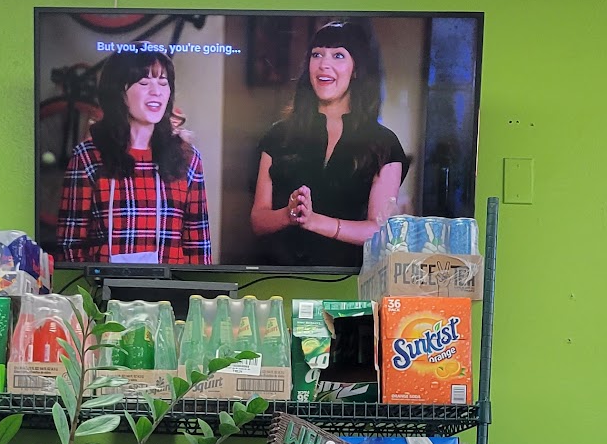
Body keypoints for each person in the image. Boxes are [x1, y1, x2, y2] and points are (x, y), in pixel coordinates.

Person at [250, 19, 405, 267]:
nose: (324, 64)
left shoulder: (384, 143)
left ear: (356, 69)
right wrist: (289, 215)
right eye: (317, 54)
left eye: (338, 55)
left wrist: (315, 222)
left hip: (348, 281)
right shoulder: (278, 135)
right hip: (278, 274)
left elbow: (380, 231)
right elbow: (258, 220)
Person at [56, 49, 212, 264]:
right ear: (119, 92)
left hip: (171, 284)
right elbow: (70, 244)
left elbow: (199, 246)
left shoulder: (188, 158)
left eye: (163, 83)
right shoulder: (88, 156)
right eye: (144, 83)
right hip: (104, 284)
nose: (156, 92)